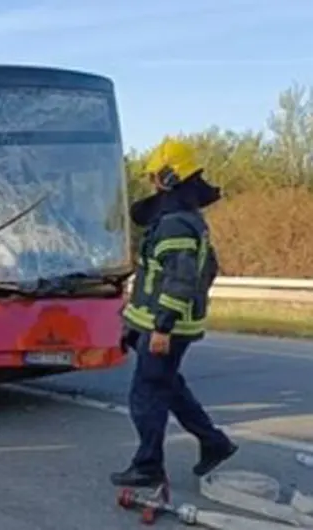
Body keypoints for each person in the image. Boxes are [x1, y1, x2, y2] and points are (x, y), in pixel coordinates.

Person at [111, 137, 237, 487]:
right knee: (169, 388)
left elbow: (181, 280)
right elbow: (199, 271)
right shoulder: (184, 220)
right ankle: (214, 443)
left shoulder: (175, 225)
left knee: (146, 396)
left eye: (154, 176)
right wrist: (132, 327)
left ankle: (148, 466)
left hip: (164, 327)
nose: (151, 183)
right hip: (154, 323)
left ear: (168, 178)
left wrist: (163, 327)